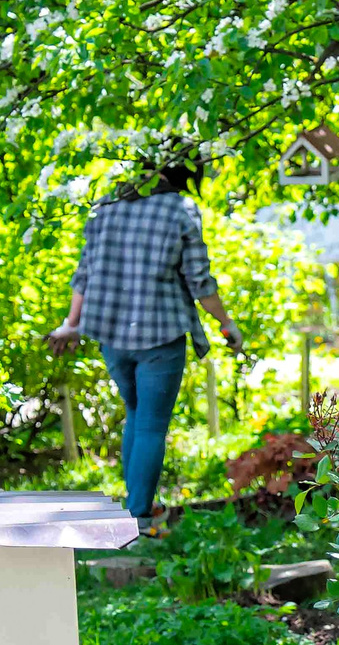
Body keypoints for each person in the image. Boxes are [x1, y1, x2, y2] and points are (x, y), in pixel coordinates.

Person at [48, 157, 247, 531]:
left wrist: (70, 325)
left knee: (136, 414)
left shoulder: (104, 206)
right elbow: (199, 281)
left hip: (112, 336)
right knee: (152, 425)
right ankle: (137, 516)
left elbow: (84, 274)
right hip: (161, 334)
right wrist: (227, 324)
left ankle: (139, 504)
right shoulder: (180, 209)